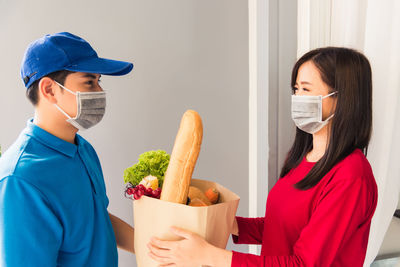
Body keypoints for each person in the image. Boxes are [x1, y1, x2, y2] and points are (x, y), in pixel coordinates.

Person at [148, 47, 378, 266]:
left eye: (306, 90)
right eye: (295, 89)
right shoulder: (302, 157)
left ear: (343, 98)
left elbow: (305, 264)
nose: (297, 97)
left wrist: (211, 256)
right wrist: (220, 221)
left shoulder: (351, 176)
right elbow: (281, 228)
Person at [0, 32, 136, 266]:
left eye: (98, 81)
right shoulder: (21, 179)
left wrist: (163, 250)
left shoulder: (83, 150)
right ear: (49, 90)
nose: (99, 92)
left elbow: (95, 221)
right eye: (89, 82)